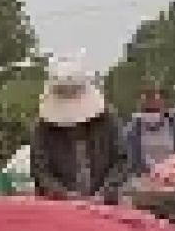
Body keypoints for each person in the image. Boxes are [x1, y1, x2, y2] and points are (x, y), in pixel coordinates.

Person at [30, 72, 129, 201]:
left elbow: (121, 161)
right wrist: (62, 194)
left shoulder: (108, 120)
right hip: (59, 205)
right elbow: (40, 170)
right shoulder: (42, 128)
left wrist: (105, 192)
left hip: (105, 201)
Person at [124, 89, 175, 177]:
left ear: (164, 108)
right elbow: (133, 163)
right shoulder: (132, 130)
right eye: (147, 110)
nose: (151, 114)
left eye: (155, 110)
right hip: (147, 177)